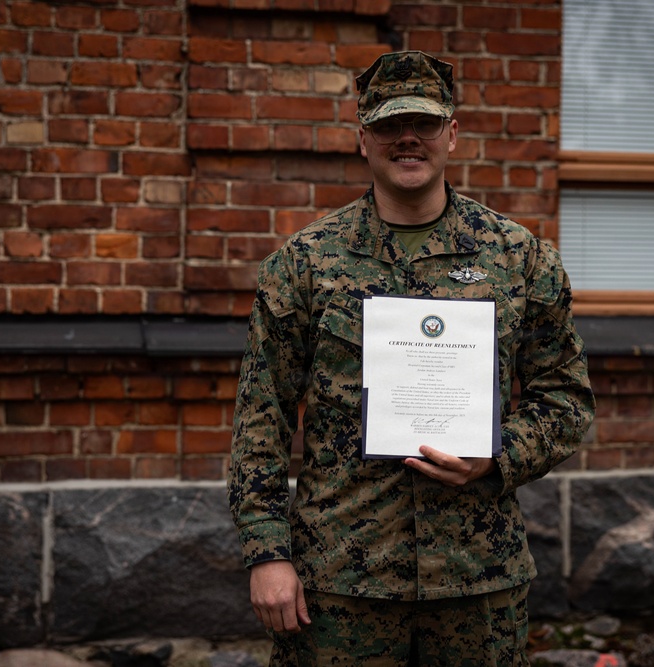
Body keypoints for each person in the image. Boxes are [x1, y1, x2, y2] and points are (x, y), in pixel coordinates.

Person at [228, 50, 595, 666]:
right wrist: (267, 552)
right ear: (362, 139)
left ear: (451, 134)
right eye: (388, 125)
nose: (407, 138)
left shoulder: (520, 259)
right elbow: (260, 418)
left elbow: (566, 399)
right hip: (341, 579)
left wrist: (497, 454)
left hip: (476, 577)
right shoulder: (304, 264)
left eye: (424, 123)